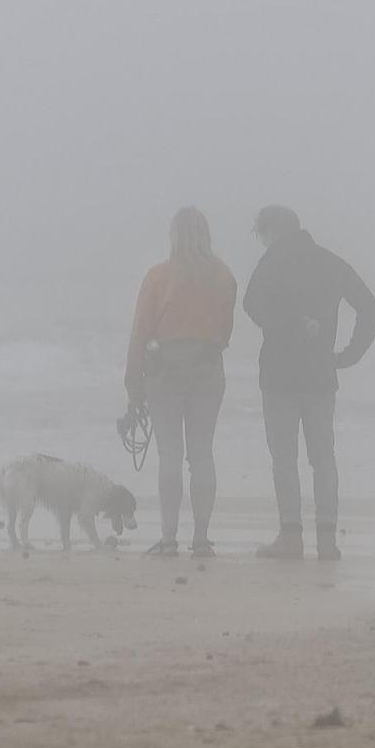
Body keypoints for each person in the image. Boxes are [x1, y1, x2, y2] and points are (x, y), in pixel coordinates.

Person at [242, 205, 375, 561]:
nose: (262, 242)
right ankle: (326, 539)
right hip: (321, 373)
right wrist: (349, 354)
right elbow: (370, 309)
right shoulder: (330, 262)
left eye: (261, 235)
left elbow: (251, 306)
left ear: (272, 231)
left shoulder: (271, 263)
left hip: (278, 375)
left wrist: (286, 323)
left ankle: (290, 537)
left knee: (284, 459)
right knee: (323, 458)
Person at [125, 207, 237, 557]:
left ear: (173, 235)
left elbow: (141, 330)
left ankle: (169, 537)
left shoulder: (158, 276)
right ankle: (201, 538)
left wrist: (133, 382)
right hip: (207, 365)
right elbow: (225, 330)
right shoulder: (223, 275)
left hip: (165, 369)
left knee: (169, 453)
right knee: (202, 453)